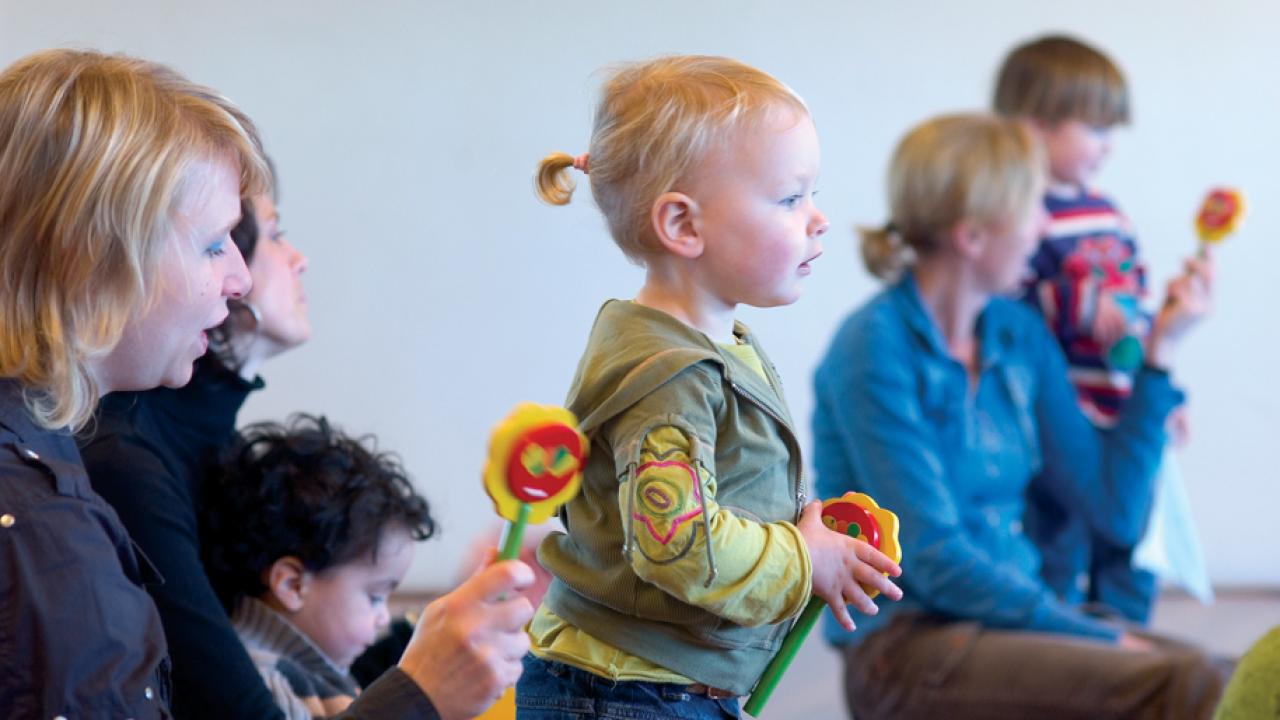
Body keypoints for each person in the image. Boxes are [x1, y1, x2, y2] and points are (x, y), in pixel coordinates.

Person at [0, 48, 531, 720]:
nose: (241, 278)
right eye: (215, 243)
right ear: (98, 255)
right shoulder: (46, 515)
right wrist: (421, 697)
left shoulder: (53, 467)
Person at [516, 54, 903, 719]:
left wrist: (795, 527)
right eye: (790, 198)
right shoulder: (669, 375)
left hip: (652, 689)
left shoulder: (709, 348)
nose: (819, 219)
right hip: (630, 694)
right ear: (684, 226)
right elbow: (678, 546)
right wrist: (802, 557)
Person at [811, 113, 1226, 719]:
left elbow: (1114, 511)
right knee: (1191, 685)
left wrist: (1159, 360)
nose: (1041, 230)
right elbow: (934, 559)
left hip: (1021, 622)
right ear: (972, 236)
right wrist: (1095, 634)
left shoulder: (1017, 334)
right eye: (1032, 208)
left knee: (1237, 681)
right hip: (908, 647)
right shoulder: (873, 348)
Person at [995, 33, 1191, 622]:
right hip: (1061, 419)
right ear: (1034, 128)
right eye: (1095, 129)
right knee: (1059, 538)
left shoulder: (1107, 211)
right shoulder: (1021, 213)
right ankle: (1061, 649)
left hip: (1122, 404)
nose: (1108, 147)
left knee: (1129, 545)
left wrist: (1163, 398)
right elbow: (1008, 307)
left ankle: (1129, 648)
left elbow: (1137, 304)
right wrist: (1077, 301)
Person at [202, 414, 434, 718]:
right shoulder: (269, 687)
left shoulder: (317, 674)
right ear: (292, 585)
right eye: (375, 596)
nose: (382, 618)